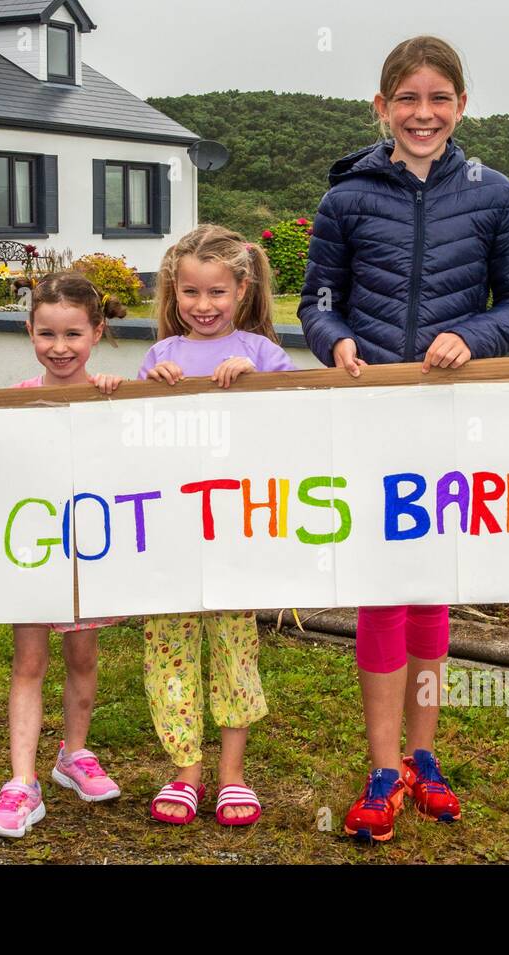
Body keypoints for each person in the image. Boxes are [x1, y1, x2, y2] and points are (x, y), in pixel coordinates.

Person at [298, 35, 509, 842]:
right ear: (381, 108)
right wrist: (333, 339)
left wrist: (473, 336)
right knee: (381, 583)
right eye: (407, 98)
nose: (423, 112)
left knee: (430, 585)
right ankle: (380, 766)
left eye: (439, 98)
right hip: (372, 410)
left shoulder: (497, 195)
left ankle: (424, 755)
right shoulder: (345, 199)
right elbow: (317, 301)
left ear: (462, 107)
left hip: (447, 414)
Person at [0, 271, 127, 838]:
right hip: (30, 556)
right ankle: (22, 784)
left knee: (83, 659)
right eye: (46, 333)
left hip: (88, 555)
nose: (60, 346)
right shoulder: (13, 402)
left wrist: (124, 401)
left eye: (73, 333)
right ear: (28, 330)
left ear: (96, 331)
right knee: (28, 663)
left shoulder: (112, 398)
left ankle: (74, 754)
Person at [138, 224, 293, 826]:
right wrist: (148, 392)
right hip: (174, 532)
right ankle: (185, 773)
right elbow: (136, 434)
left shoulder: (262, 354)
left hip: (233, 532)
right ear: (173, 294)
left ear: (242, 289)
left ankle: (232, 775)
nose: (203, 307)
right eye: (190, 294)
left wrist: (256, 384)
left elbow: (297, 417)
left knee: (234, 648)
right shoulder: (161, 357)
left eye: (216, 294)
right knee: (170, 651)